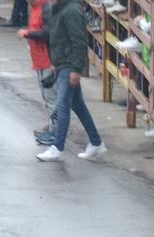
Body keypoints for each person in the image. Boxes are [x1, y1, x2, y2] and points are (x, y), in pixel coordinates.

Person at [36, 0, 107, 161]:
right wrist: (56, 63)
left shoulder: (71, 11)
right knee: (77, 104)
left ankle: (57, 146)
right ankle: (96, 142)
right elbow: (58, 38)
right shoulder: (60, 9)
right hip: (63, 63)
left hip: (69, 64)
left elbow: (80, 42)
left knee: (63, 105)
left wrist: (76, 69)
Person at [17, 0, 57, 145]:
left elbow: (47, 33)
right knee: (48, 96)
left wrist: (27, 33)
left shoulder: (45, 7)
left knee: (51, 97)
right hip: (39, 58)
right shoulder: (34, 7)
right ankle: (53, 126)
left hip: (48, 59)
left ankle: (55, 131)